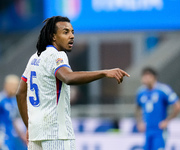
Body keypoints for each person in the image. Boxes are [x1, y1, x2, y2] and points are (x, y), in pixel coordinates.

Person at [16, 16, 130, 150]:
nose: (71, 36)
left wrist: (29, 126)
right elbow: (68, 77)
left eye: (72, 32)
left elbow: (20, 93)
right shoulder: (57, 55)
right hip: (57, 134)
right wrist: (104, 72)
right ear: (53, 36)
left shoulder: (35, 57)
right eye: (65, 32)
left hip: (36, 134)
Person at [135, 67, 180, 150]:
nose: (145, 79)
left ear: (154, 77)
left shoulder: (163, 89)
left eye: (147, 76)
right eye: (144, 76)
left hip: (159, 130)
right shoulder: (141, 92)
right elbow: (137, 107)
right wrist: (140, 122)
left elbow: (178, 105)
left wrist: (167, 121)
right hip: (147, 130)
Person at [0, 75, 27, 150]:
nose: (16, 88)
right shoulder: (1, 100)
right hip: (5, 137)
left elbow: (16, 120)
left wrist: (22, 135)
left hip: (17, 138)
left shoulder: (15, 100)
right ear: (7, 85)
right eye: (13, 86)